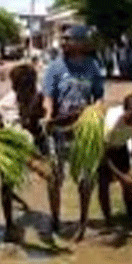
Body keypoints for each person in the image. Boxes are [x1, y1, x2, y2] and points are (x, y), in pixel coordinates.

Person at [42, 25, 104, 242]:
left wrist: (96, 111)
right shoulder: (55, 68)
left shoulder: (92, 67)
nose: (63, 42)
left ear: (81, 42)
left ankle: (83, 221)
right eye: (63, 39)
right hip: (59, 131)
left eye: (68, 39)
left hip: (83, 132)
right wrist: (49, 115)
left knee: (86, 179)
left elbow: (98, 96)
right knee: (54, 178)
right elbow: (48, 96)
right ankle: (55, 219)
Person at [0, 63, 50, 244]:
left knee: (52, 176)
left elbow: (44, 117)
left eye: (29, 88)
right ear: (14, 87)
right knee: (7, 186)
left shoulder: (40, 96)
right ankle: (9, 224)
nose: (25, 93)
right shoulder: (6, 104)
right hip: (11, 146)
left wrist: (39, 113)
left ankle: (54, 220)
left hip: (35, 141)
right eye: (21, 89)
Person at [98, 93, 132, 241]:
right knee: (103, 184)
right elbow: (103, 155)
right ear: (125, 112)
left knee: (129, 184)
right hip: (104, 149)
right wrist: (121, 176)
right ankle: (108, 220)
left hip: (121, 147)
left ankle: (131, 215)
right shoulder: (112, 124)